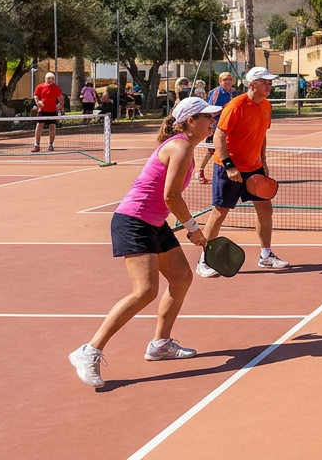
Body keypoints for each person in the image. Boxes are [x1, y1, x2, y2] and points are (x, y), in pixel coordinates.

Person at [67, 97, 221, 389]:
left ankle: (160, 344)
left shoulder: (184, 146)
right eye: (207, 117)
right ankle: (89, 351)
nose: (212, 121)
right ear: (191, 121)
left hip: (152, 222)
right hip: (133, 221)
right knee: (146, 291)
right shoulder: (181, 146)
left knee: (181, 277)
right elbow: (171, 196)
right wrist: (193, 229)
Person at [195, 66, 289, 277]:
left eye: (270, 81)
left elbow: (262, 135)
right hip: (228, 167)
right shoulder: (235, 105)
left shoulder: (266, 106)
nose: (269, 85)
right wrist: (229, 166)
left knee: (265, 208)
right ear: (252, 84)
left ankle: (266, 255)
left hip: (253, 168)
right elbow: (219, 136)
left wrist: (263, 162)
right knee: (220, 213)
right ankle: (204, 260)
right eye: (265, 82)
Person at [197, 72, 237, 184]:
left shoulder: (233, 93)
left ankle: (230, 171)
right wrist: (224, 109)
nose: (228, 81)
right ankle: (200, 171)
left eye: (230, 79)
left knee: (230, 149)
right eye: (225, 80)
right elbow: (210, 111)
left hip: (230, 126)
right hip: (216, 127)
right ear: (220, 81)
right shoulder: (216, 93)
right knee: (211, 150)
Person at [32, 71, 64, 152]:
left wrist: (61, 107)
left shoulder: (56, 88)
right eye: (49, 78)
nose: (50, 80)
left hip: (52, 111)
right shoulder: (40, 87)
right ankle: (37, 145)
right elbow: (36, 96)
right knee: (39, 126)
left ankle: (51, 144)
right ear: (45, 79)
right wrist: (38, 102)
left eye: (52, 79)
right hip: (42, 111)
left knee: (52, 127)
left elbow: (60, 98)